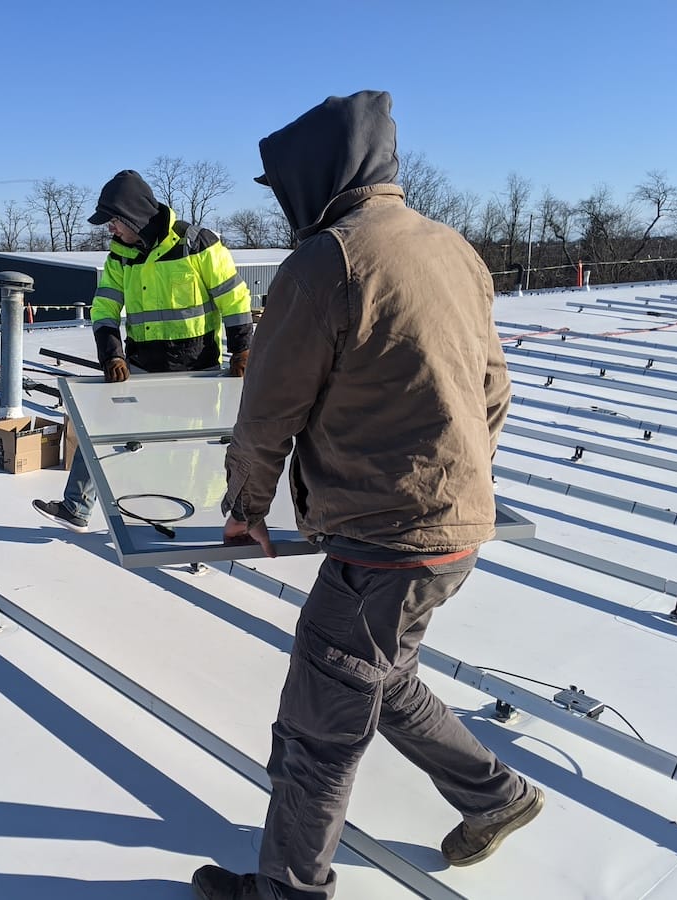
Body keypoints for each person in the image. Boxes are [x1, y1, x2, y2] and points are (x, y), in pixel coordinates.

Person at [191, 91, 541, 900]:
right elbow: (492, 391)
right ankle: (496, 795)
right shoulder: (452, 248)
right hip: (451, 533)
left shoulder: (327, 262)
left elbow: (268, 408)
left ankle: (288, 891)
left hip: (381, 548)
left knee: (321, 729)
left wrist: (246, 507)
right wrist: (458, 478)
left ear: (315, 178)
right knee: (383, 678)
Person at [34, 169, 253, 532]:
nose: (111, 230)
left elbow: (234, 300)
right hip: (140, 368)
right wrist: (112, 355)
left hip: (197, 372)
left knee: (193, 456)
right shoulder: (120, 257)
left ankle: (198, 530)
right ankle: (76, 507)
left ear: (133, 216)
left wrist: (243, 350)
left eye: (114, 222)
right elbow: (103, 309)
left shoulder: (197, 245)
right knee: (100, 428)